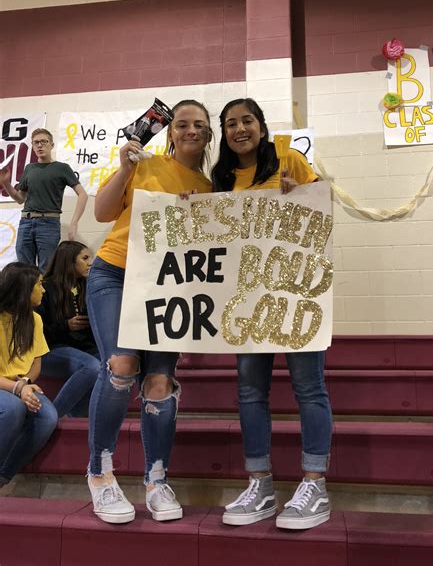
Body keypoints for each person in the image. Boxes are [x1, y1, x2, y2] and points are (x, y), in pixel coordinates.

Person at [87, 100, 212, 524]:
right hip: (116, 274)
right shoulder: (144, 163)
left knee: (159, 383)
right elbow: (103, 212)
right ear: (170, 132)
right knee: (121, 365)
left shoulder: (213, 190)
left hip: (167, 284)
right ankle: (100, 474)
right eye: (182, 124)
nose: (190, 130)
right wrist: (124, 167)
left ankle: (157, 480)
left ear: (208, 134)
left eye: (199, 124)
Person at [212, 98, 332, 531]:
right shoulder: (222, 178)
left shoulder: (289, 158)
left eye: (247, 120)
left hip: (296, 293)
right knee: (249, 392)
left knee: (308, 389)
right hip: (246, 301)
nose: (239, 129)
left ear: (261, 126)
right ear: (224, 133)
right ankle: (259, 482)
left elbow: (324, 205)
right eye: (230, 124)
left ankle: (315, 481)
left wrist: (299, 193)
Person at [0, 262, 58, 489]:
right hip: (7, 387)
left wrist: (25, 382)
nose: (43, 290)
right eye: (39, 285)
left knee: (48, 418)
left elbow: (36, 363)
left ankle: (4, 476)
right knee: (14, 408)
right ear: (24, 288)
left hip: (21, 385)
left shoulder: (35, 319)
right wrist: (18, 389)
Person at [0, 128, 88, 272]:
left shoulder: (62, 168)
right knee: (24, 270)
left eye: (43, 142)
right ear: (33, 146)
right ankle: (27, 295)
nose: (39, 145)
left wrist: (74, 222)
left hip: (48, 223)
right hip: (26, 222)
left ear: (51, 145)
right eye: (36, 143)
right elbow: (20, 199)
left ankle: (45, 295)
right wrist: (6, 183)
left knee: (46, 270)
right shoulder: (29, 168)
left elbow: (82, 194)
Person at [37, 241, 100, 418]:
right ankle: (52, 417)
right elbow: (38, 334)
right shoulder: (45, 289)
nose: (91, 262)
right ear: (69, 261)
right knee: (92, 366)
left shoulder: (89, 286)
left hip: (82, 348)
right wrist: (66, 326)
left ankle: (78, 421)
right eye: (85, 258)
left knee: (110, 365)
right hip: (50, 350)